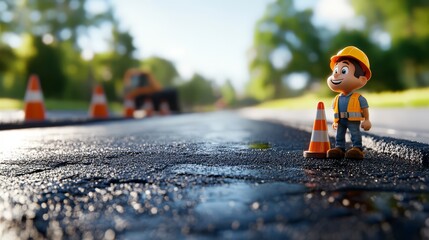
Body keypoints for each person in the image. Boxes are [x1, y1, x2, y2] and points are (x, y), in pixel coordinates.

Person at [326, 46, 372, 160]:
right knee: (339, 135)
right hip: (340, 121)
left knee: (355, 134)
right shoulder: (336, 98)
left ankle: (357, 148)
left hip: (353, 121)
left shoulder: (358, 98)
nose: (336, 75)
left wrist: (367, 120)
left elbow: (365, 108)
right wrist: (335, 121)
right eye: (335, 71)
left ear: (361, 79)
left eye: (343, 71)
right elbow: (335, 110)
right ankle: (339, 148)